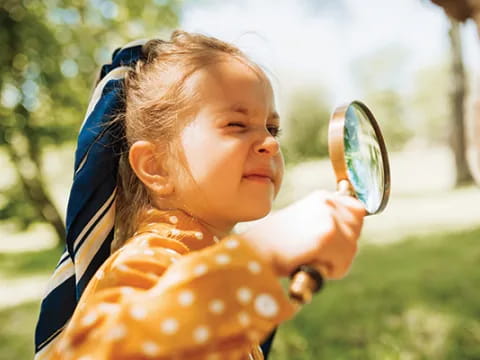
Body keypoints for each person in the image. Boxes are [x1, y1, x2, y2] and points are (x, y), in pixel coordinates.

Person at [34, 30, 366, 360]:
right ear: (156, 167)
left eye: (272, 128)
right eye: (236, 125)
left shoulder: (203, 257)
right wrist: (261, 254)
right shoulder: (152, 259)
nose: (271, 143)